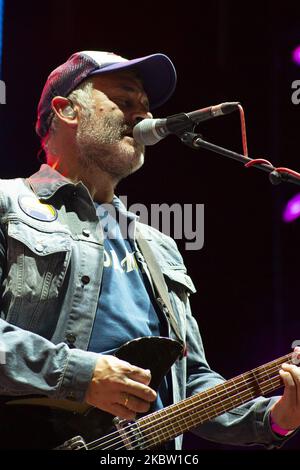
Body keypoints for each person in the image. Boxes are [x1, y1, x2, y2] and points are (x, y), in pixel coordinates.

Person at [0, 50, 299, 450]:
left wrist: (274, 418)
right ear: (67, 110)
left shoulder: (159, 247)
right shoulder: (7, 204)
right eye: (125, 101)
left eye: (145, 106)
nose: (143, 117)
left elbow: (188, 382)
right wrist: (81, 374)